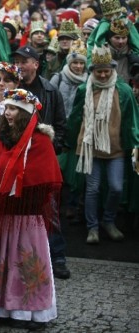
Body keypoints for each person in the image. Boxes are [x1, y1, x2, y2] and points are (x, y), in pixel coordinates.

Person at [0, 88, 62, 330]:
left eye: (13, 109)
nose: (8, 113)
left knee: (27, 262)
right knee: (2, 260)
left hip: (28, 215)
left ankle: (30, 312)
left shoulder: (41, 142)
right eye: (7, 108)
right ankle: (0, 307)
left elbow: (46, 177)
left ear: (25, 113)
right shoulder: (3, 140)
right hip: (5, 214)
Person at [67, 44, 139, 244]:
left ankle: (108, 220)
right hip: (90, 148)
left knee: (116, 187)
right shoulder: (84, 89)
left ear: (113, 70)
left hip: (115, 148)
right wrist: (69, 140)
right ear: (93, 71)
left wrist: (134, 144)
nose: (103, 75)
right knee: (93, 189)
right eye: (99, 72)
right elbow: (75, 117)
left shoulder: (123, 90)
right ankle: (92, 228)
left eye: (107, 71)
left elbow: (131, 119)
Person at [14, 44, 70, 280]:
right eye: (17, 61)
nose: (19, 66)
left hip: (41, 157)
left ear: (35, 64)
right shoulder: (12, 88)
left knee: (50, 208)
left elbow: (61, 125)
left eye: (24, 61)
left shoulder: (49, 90)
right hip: (16, 157)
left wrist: (49, 148)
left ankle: (57, 257)